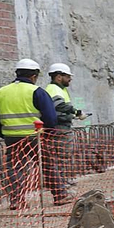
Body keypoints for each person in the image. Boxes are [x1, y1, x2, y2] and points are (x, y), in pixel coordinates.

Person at [0, 59, 59, 209]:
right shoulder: (37, 92)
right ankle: (60, 195)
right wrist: (49, 133)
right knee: (47, 165)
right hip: (36, 137)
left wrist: (6, 135)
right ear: (34, 76)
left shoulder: (1, 92)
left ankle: (17, 201)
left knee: (15, 169)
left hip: (12, 138)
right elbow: (51, 118)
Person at [42, 63, 85, 203]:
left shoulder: (59, 89)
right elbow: (58, 106)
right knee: (61, 157)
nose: (70, 79)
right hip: (60, 129)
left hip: (61, 126)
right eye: (67, 76)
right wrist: (75, 111)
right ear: (59, 76)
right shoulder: (54, 89)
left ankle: (63, 184)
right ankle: (62, 187)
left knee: (62, 157)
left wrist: (71, 116)